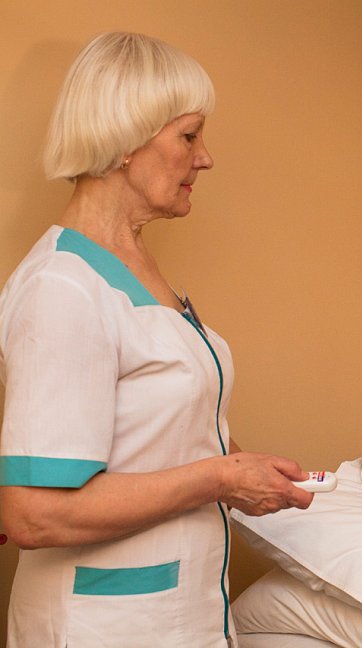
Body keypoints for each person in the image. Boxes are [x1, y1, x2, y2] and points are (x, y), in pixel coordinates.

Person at [0, 32, 314, 648]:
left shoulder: (135, 265)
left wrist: (248, 472)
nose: (206, 158)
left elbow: (165, 427)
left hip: (178, 614)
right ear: (126, 141)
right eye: (189, 136)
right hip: (101, 626)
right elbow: (33, 512)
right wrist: (221, 478)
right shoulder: (62, 286)